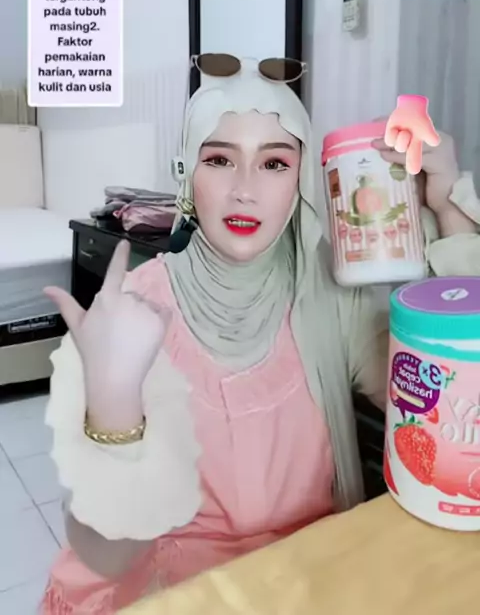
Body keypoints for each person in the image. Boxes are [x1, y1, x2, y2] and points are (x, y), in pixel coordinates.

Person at [40, 59, 478, 614]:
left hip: (309, 581)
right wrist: (112, 404)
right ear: (187, 177)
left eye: (274, 163)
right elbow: (104, 556)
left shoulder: (331, 293)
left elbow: (456, 413)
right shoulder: (130, 314)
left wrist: (447, 205)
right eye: (220, 159)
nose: (245, 191)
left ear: (300, 183)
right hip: (181, 594)